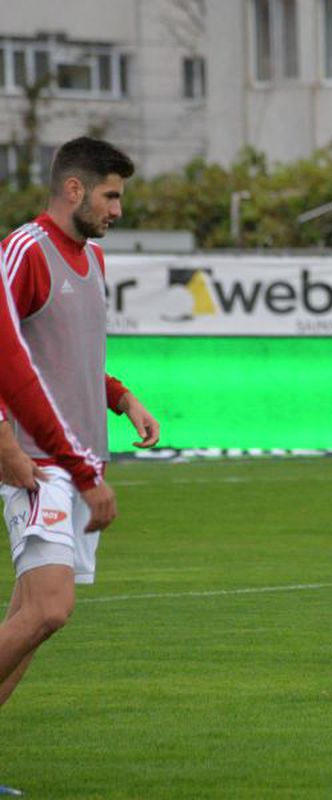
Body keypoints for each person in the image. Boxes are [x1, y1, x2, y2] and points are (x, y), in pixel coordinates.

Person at [0, 136, 160, 713]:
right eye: (110, 196)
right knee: (50, 609)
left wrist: (122, 398)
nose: (118, 209)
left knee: (31, 620)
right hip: (37, 464)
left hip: (82, 462)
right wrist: (6, 449)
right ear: (74, 189)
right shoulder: (25, 250)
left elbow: (71, 356)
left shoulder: (93, 259)